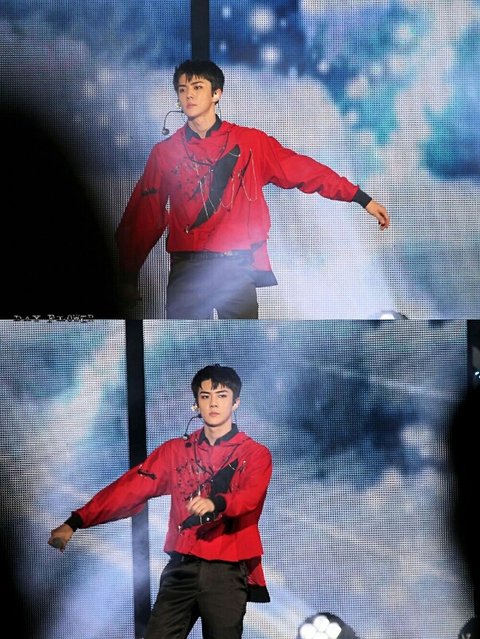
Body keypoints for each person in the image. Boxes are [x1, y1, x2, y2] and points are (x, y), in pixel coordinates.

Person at [116, 59, 390, 319]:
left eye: (198, 87)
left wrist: (360, 198)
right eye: (182, 89)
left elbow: (303, 170)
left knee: (240, 337)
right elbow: (144, 215)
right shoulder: (165, 152)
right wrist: (128, 276)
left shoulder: (250, 143)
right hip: (188, 269)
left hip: (235, 268)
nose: (189, 95)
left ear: (216, 94)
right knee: (184, 337)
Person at [48, 364, 272, 639]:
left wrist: (216, 503)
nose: (213, 403)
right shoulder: (176, 452)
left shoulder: (254, 454)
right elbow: (129, 489)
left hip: (225, 572)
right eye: (205, 396)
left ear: (236, 402)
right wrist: (76, 521)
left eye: (222, 395)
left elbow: (250, 497)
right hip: (182, 568)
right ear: (196, 404)